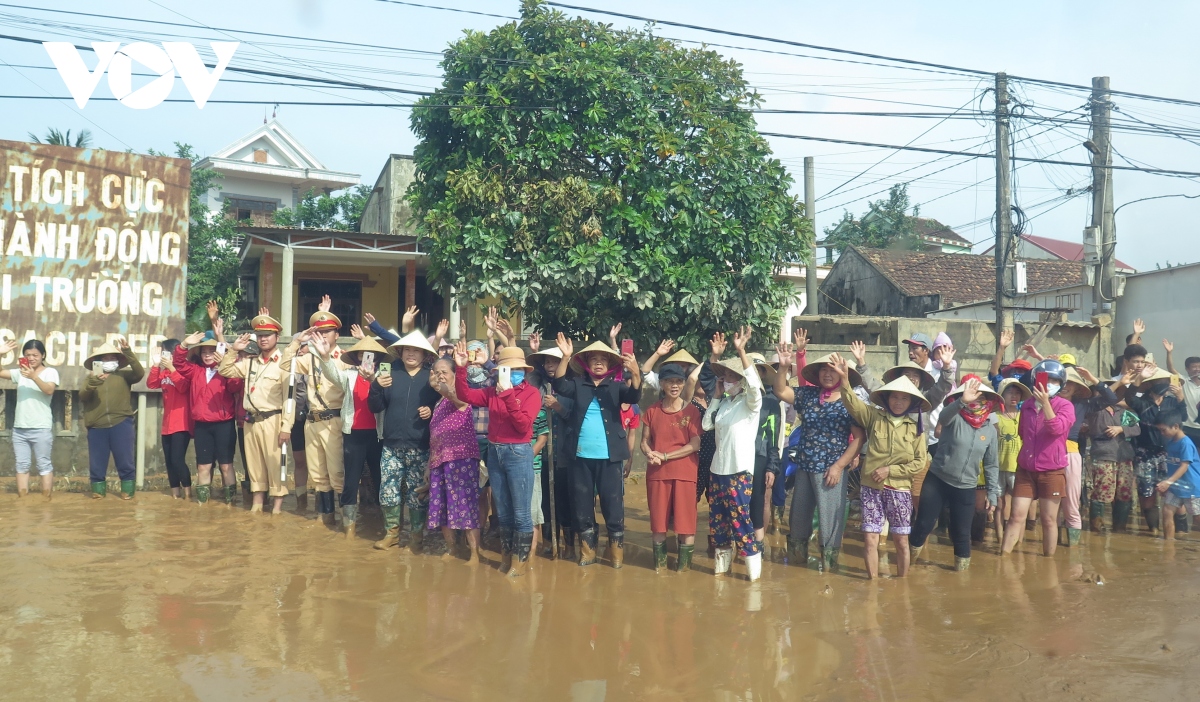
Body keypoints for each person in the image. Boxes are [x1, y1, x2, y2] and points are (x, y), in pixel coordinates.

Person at [832, 355, 929, 578]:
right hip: (871, 489)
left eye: (904, 399)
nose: (898, 402)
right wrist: (844, 381)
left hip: (900, 490)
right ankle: (872, 585)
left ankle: (902, 583)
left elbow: (919, 462)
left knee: (901, 540)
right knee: (870, 539)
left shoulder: (915, 429)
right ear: (887, 398)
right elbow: (853, 405)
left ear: (911, 402)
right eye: (894, 397)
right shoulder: (874, 417)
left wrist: (890, 470)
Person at [551, 334, 643, 569]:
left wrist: (635, 372)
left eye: (603, 359)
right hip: (579, 456)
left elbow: (634, 396)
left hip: (610, 457)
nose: (599, 362)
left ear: (610, 365)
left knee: (612, 505)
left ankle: (616, 555)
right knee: (582, 505)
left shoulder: (616, 386)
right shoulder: (577, 385)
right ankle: (588, 552)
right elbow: (559, 384)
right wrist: (565, 356)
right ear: (586, 364)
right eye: (594, 359)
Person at [773, 345, 865, 574]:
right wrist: (783, 368)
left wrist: (839, 466)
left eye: (832, 370)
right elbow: (781, 391)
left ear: (842, 374)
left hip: (831, 469)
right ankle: (797, 570)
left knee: (829, 523)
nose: (827, 374)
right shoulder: (809, 395)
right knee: (798, 519)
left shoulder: (848, 400)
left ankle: (829, 571)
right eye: (823, 369)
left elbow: (859, 439)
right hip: (804, 465)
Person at [455, 341, 543, 576]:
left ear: (525, 372)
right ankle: (506, 558)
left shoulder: (532, 394)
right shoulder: (491, 392)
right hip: (495, 452)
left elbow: (523, 424)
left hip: (518, 452)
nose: (513, 374)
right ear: (497, 372)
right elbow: (465, 395)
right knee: (502, 511)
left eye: (517, 370)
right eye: (508, 370)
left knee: (522, 513)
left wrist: (508, 396)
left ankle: (520, 562)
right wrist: (461, 369)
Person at [306, 332, 395, 540]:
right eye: (364, 355)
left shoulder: (385, 376)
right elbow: (332, 375)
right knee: (351, 481)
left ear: (379, 359)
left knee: (381, 479)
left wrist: (374, 379)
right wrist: (325, 357)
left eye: (372, 355)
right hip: (353, 434)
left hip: (378, 435)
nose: (368, 359)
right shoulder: (350, 376)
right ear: (357, 359)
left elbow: (389, 397)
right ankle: (350, 528)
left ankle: (388, 527)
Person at [910, 377, 1001, 571]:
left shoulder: (989, 431)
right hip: (938, 480)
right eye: (972, 395)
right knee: (924, 525)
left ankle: (961, 577)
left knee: (962, 534)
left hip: (966, 486)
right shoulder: (955, 417)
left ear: (988, 400)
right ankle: (907, 565)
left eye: (981, 396)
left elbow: (992, 464)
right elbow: (942, 418)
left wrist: (993, 493)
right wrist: (962, 402)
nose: (976, 400)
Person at [219, 312, 296, 514]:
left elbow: (290, 399)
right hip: (250, 420)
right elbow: (225, 371)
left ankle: (277, 508)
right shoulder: (250, 362)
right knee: (255, 466)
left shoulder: (284, 364)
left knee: (275, 465)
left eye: (268, 335)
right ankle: (257, 504)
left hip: (273, 419)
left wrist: (286, 427)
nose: (263, 339)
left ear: (277, 338)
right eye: (260, 335)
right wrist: (233, 351)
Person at [702, 327, 763, 580]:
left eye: (731, 376)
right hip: (718, 471)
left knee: (742, 524)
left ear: (740, 380)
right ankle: (720, 572)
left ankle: (754, 580)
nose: (726, 379)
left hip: (739, 471)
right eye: (724, 376)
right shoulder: (725, 403)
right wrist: (716, 397)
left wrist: (741, 350)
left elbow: (755, 387)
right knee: (718, 524)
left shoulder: (751, 404)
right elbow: (706, 424)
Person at [281, 309, 349, 527]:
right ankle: (325, 517)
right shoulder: (308, 358)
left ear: (336, 335)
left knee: (337, 473)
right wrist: (297, 342)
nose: (323, 336)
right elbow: (284, 365)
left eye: (328, 332)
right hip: (312, 422)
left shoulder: (346, 358)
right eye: (319, 332)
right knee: (318, 475)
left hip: (334, 421)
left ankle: (347, 522)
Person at [1001, 360, 1075, 556]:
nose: (1049, 383)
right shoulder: (1026, 407)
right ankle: (1004, 557)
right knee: (1016, 516)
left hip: (1052, 470)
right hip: (1026, 469)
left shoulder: (1065, 406)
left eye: (1054, 380)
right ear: (1036, 381)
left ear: (1061, 384)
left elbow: (1056, 429)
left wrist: (1045, 404)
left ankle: (1048, 561)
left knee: (1049, 520)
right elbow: (1022, 433)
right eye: (1045, 379)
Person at [641, 363, 703, 572]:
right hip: (657, 473)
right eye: (670, 381)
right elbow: (644, 441)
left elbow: (695, 444)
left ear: (684, 384)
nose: (674, 386)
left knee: (686, 524)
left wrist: (665, 455)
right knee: (658, 524)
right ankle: (659, 568)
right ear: (662, 384)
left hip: (685, 473)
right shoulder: (651, 411)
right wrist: (649, 453)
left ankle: (683, 570)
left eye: (678, 381)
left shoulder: (692, 411)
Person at [425, 357, 483, 564]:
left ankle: (475, 554)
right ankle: (452, 549)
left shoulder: (459, 394)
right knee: (441, 508)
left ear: (454, 374)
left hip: (461, 459)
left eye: (444, 372)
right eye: (436, 371)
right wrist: (428, 465)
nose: (440, 375)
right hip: (439, 461)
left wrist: (441, 389)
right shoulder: (439, 402)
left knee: (466, 507)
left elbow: (457, 400)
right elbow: (435, 436)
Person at [177, 324, 242, 506]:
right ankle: (202, 506)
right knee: (203, 466)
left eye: (211, 351)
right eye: (204, 352)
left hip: (224, 424)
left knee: (226, 465)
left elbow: (236, 385)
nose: (207, 355)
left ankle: (231, 503)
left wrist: (225, 363)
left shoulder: (226, 372)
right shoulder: (195, 371)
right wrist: (183, 345)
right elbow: (178, 364)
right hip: (202, 425)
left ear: (218, 352)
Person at [528, 339, 576, 560]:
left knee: (566, 500)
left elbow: (576, 418)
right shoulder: (536, 386)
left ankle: (569, 544)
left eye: (555, 361)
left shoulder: (571, 387)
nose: (550, 365)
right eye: (547, 362)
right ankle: (548, 540)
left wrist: (558, 406)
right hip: (544, 454)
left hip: (565, 453)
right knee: (545, 500)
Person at [80, 338, 145, 499]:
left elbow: (140, 373)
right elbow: (83, 396)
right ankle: (98, 491)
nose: (109, 360)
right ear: (98, 361)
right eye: (105, 358)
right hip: (96, 425)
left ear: (118, 360)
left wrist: (128, 351)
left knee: (125, 459)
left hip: (121, 422)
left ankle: (127, 491)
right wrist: (93, 382)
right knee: (97, 462)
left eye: (113, 358)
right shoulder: (90, 379)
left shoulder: (124, 376)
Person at [1125, 365, 1186, 535]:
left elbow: (1185, 418)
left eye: (1165, 381)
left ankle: (1181, 530)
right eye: (1159, 381)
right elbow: (1129, 398)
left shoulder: (1172, 402)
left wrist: (1181, 398)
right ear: (1150, 384)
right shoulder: (1142, 402)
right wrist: (1139, 378)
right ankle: (1153, 529)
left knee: (1174, 491)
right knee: (1147, 491)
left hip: (1169, 453)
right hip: (1145, 453)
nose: (1163, 383)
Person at [0, 339, 60, 499]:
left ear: (43, 355)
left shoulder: (50, 372)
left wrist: (34, 377)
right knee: (22, 465)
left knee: (44, 464)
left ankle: (46, 500)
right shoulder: (20, 372)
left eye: (35, 355)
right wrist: (1, 353)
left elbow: (49, 390)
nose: (31, 358)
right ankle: (23, 500)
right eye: (28, 355)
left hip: (41, 427)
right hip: (20, 428)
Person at [1084, 368, 1140, 532]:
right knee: (1102, 491)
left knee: (1124, 492)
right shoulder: (1094, 410)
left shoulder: (1122, 411)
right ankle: (1097, 526)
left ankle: (1120, 527)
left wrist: (1121, 429)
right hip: (1103, 453)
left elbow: (1137, 429)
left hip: (1124, 454)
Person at [148, 339, 193, 500]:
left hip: (182, 423)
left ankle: (188, 493)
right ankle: (175, 494)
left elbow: (183, 387)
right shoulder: (164, 372)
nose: (167, 356)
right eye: (165, 353)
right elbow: (152, 384)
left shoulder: (186, 370)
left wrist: (172, 368)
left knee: (177, 459)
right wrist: (155, 365)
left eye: (170, 353)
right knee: (169, 461)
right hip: (167, 424)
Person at [1156, 411, 1200, 541]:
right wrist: (1168, 485)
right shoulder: (1171, 442)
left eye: (1163, 430)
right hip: (1176, 487)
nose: (1162, 434)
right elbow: (1171, 465)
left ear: (1175, 426)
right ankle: (1169, 543)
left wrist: (1167, 482)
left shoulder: (1185, 443)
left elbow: (1184, 466)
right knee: (1167, 511)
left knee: (1197, 517)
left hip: (1192, 487)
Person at [995, 378, 1030, 538]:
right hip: (997, 467)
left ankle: (1018, 541)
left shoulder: (1025, 416)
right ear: (1002, 395)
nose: (1013, 396)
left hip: (1018, 468)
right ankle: (1000, 539)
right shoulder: (995, 417)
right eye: (1010, 392)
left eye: (1017, 393)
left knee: (1019, 508)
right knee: (999, 505)